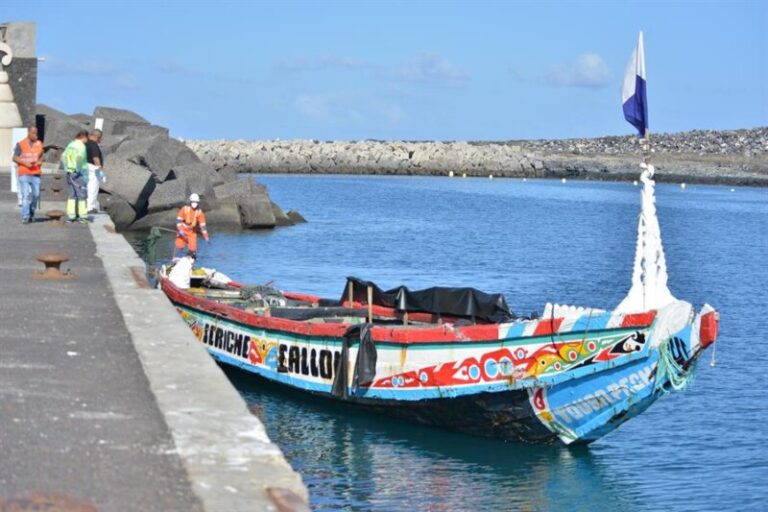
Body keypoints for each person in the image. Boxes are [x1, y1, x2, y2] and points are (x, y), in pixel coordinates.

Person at [12, 126, 45, 224]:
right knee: (25, 195)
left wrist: (40, 161)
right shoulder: (21, 144)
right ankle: (25, 216)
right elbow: (14, 157)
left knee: (36, 195)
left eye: (37, 133)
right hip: (24, 173)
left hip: (36, 173)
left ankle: (31, 212)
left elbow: (42, 156)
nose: (36, 136)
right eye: (34, 133)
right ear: (29, 133)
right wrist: (25, 164)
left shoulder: (39, 144)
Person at [61, 130, 90, 223]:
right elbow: (79, 158)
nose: (87, 140)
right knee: (82, 195)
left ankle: (71, 215)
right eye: (87, 138)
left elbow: (63, 156)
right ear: (83, 137)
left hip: (69, 172)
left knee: (71, 194)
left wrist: (67, 168)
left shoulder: (71, 144)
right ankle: (83, 216)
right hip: (78, 174)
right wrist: (78, 169)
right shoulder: (81, 146)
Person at [175, 193, 210, 258]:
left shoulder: (199, 212)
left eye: (196, 202)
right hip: (183, 229)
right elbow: (178, 220)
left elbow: (203, 226)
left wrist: (206, 236)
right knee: (179, 246)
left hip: (192, 231)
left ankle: (190, 261)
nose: (195, 203)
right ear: (190, 201)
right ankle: (176, 261)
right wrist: (180, 230)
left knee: (193, 248)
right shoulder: (184, 209)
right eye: (193, 202)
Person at [85, 129, 106, 213]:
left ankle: (84, 206)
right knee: (93, 188)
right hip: (92, 168)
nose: (101, 140)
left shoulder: (85, 143)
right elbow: (95, 157)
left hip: (84, 166)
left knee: (85, 187)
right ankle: (90, 207)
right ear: (98, 137)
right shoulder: (94, 145)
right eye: (101, 138)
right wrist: (100, 169)